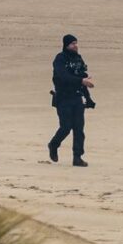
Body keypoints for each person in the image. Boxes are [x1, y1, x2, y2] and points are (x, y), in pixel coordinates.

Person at [48, 34, 95, 167]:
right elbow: (63, 76)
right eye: (72, 43)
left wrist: (88, 98)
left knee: (79, 129)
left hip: (77, 98)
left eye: (76, 43)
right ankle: (53, 145)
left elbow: (82, 80)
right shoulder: (60, 59)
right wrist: (81, 80)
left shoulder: (79, 59)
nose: (75, 45)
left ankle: (77, 157)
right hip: (63, 98)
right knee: (66, 127)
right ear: (66, 45)